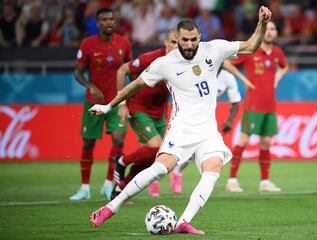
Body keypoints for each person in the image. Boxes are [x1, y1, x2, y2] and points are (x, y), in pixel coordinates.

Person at [89, 6, 271, 234]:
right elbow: (134, 85)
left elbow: (251, 45)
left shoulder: (214, 49)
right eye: (184, 40)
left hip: (207, 131)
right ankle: (110, 208)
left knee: (213, 168)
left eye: (194, 39)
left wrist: (262, 23)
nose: (189, 44)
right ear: (177, 38)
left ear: (199, 37)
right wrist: (109, 106)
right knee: (159, 170)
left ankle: (183, 222)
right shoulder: (165, 63)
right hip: (181, 129)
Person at [69, 8, 132, 201]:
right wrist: (90, 86)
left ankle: (108, 185)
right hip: (93, 102)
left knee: (119, 140)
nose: (109, 22)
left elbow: (131, 70)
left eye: (112, 19)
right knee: (88, 143)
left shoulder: (124, 42)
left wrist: (131, 97)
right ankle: (84, 188)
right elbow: (78, 72)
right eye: (105, 20)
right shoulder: (88, 44)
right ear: (98, 23)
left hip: (116, 102)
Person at [111, 29, 178, 199]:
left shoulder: (183, 62)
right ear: (165, 42)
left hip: (160, 112)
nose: (176, 46)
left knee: (154, 158)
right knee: (155, 146)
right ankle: (121, 161)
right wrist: (122, 102)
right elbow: (122, 70)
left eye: (179, 43)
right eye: (172, 42)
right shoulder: (151, 58)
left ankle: (120, 190)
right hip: (139, 107)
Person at [224, 21, 289, 193]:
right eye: (267, 29)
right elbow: (227, 63)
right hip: (253, 105)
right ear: (262, 31)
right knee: (244, 139)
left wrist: (277, 78)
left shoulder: (277, 52)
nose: (269, 32)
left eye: (273, 29)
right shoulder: (251, 50)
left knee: (266, 142)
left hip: (270, 105)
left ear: (276, 33)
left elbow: (285, 67)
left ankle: (265, 182)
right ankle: (231, 180)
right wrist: (243, 79)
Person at [169, 67, 255, 194]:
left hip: (207, 118)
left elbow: (235, 101)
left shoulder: (227, 77)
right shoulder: (199, 70)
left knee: (200, 151)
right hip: (186, 114)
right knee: (179, 150)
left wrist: (230, 120)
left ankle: (178, 173)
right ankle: (160, 174)